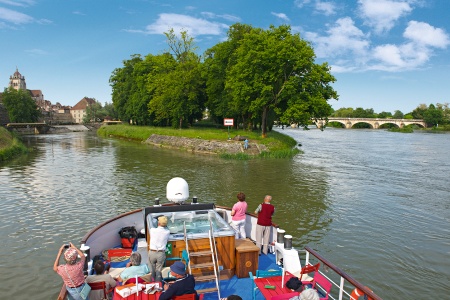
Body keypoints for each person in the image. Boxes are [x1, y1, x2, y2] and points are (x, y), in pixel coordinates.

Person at [148, 215, 170, 282]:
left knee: (152, 270)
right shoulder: (167, 232)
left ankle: (152, 282)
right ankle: (158, 285)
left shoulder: (152, 230)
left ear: (159, 223)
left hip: (152, 252)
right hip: (161, 253)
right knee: (158, 271)